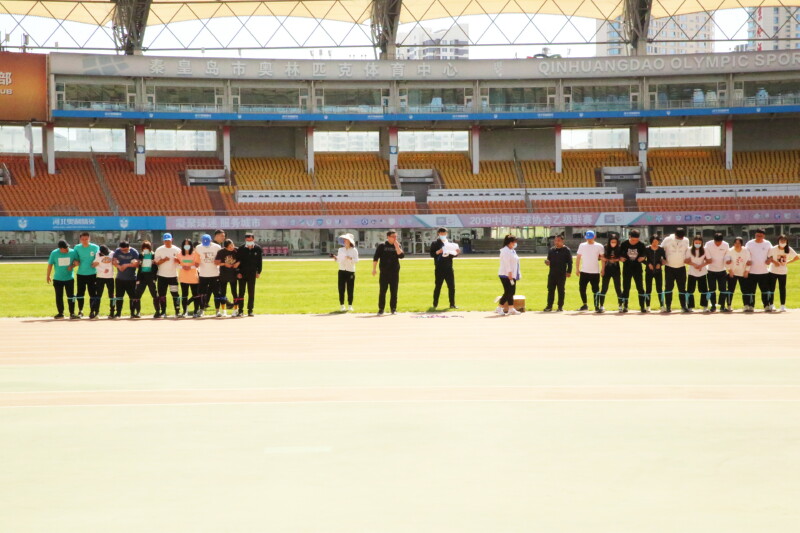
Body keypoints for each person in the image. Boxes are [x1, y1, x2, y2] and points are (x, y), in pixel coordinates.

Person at [372, 230, 405, 315]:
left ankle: (393, 309)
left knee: (394, 291)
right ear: (388, 237)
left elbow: (401, 256)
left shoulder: (397, 245)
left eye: (396, 236)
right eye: (393, 237)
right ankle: (381, 309)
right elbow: (376, 257)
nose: (395, 238)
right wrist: (374, 269)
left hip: (394, 273)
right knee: (382, 291)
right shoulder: (382, 246)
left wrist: (397, 246)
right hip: (384, 273)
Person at [46, 240, 78, 319]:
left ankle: (72, 313)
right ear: (60, 248)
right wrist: (48, 275)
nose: (67, 250)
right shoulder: (54, 253)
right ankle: (60, 313)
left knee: (71, 296)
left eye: (67, 247)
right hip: (58, 279)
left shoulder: (73, 252)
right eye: (64, 249)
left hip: (69, 278)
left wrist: (72, 266)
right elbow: (50, 264)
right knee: (59, 296)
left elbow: (78, 262)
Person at [661, 227, 690, 313]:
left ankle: (683, 306)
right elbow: (661, 250)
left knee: (682, 288)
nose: (680, 239)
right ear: (675, 234)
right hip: (669, 267)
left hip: (681, 267)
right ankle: (668, 306)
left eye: (682, 237)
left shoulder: (686, 240)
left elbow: (687, 251)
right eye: (679, 237)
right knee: (668, 287)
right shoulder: (668, 239)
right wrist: (662, 259)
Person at [767, 234, 798, 312]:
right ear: (778, 241)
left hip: (783, 272)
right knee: (771, 288)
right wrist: (774, 262)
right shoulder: (773, 248)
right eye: (781, 240)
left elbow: (797, 257)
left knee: (782, 289)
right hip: (773, 271)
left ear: (786, 241)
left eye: (784, 240)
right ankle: (771, 304)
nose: (783, 242)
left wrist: (788, 262)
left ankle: (782, 305)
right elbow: (768, 257)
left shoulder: (788, 249)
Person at [429, 227, 458, 309]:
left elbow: (453, 254)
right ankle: (435, 304)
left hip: (449, 268)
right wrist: (438, 252)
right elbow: (432, 254)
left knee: (451, 287)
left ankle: (452, 304)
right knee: (438, 286)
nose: (443, 235)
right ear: (438, 234)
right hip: (439, 268)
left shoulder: (449, 243)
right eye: (441, 233)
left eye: (444, 233)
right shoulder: (435, 243)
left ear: (446, 234)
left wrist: (456, 253)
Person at [619, 229, 648, 313]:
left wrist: (643, 257)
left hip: (637, 268)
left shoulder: (641, 245)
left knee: (640, 287)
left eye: (636, 240)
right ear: (629, 237)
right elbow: (619, 254)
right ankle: (625, 306)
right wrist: (620, 258)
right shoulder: (624, 244)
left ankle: (642, 306)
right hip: (627, 268)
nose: (634, 242)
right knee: (626, 287)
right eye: (633, 240)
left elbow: (644, 254)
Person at [154, 233, 181, 319]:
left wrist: (178, 260)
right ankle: (163, 311)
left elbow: (182, 261)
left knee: (175, 294)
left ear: (172, 240)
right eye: (165, 241)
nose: (167, 242)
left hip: (173, 276)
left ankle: (177, 311)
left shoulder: (177, 250)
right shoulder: (159, 249)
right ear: (163, 241)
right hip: (162, 276)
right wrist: (164, 260)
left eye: (168, 240)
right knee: (162, 294)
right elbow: (156, 262)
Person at [72, 231, 100, 319]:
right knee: (80, 293)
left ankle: (92, 311)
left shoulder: (95, 247)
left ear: (89, 239)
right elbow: (75, 259)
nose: (85, 241)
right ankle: (80, 311)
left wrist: (97, 262)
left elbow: (100, 258)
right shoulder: (77, 247)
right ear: (80, 239)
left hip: (92, 274)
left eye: (86, 239)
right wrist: (75, 262)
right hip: (81, 274)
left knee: (92, 293)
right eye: (83, 239)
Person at [575, 230, 604, 312]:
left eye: (590, 238)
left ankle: (596, 306)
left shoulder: (599, 246)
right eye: (587, 238)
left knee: (595, 290)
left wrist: (603, 269)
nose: (589, 239)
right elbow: (578, 257)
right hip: (584, 271)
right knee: (582, 289)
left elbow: (602, 258)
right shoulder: (582, 245)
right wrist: (577, 269)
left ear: (594, 237)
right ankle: (584, 304)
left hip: (595, 272)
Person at [745, 228, 773, 312]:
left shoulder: (767, 243)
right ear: (755, 235)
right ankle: (751, 305)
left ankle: (766, 305)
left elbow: (772, 254)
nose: (759, 237)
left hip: (764, 272)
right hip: (752, 271)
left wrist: (769, 260)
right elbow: (745, 254)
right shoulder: (749, 243)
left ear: (764, 236)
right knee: (751, 290)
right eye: (757, 235)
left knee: (765, 290)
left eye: (760, 236)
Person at [196, 233, 223, 317]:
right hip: (203, 274)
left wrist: (218, 262)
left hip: (215, 274)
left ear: (211, 240)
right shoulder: (198, 247)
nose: (206, 244)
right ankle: (201, 310)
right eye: (204, 243)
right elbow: (196, 259)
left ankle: (217, 310)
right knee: (202, 293)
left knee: (216, 293)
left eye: (207, 242)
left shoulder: (217, 247)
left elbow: (221, 258)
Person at [237, 233, 263, 317]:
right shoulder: (241, 248)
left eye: (251, 240)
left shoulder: (258, 249)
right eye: (247, 240)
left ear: (253, 239)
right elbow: (237, 261)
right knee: (241, 292)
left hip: (252, 273)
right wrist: (238, 272)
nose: (249, 241)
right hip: (242, 273)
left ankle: (250, 310)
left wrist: (258, 272)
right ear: (245, 240)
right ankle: (240, 310)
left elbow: (259, 262)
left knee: (251, 292)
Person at [543, 234, 572, 312]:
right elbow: (548, 260)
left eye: (558, 240)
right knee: (550, 290)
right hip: (552, 273)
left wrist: (569, 271)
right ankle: (549, 306)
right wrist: (547, 262)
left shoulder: (566, 250)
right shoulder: (551, 250)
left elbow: (570, 262)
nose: (556, 242)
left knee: (561, 290)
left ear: (563, 241)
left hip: (561, 274)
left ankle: (560, 306)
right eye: (555, 240)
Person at [112, 241, 140, 318]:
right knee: (119, 296)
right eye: (122, 250)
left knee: (132, 297)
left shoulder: (134, 252)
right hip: (120, 278)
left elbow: (137, 264)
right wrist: (118, 266)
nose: (123, 251)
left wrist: (126, 265)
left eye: (125, 250)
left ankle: (132, 313)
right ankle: (118, 313)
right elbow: (113, 261)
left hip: (131, 278)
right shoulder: (117, 251)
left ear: (128, 247)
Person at [704, 232, 731, 313]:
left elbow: (727, 255)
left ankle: (722, 306)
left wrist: (728, 261)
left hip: (722, 270)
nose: (718, 244)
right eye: (716, 242)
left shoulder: (726, 245)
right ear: (714, 240)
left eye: (719, 242)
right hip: (711, 270)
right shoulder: (708, 244)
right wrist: (708, 259)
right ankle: (713, 306)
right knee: (712, 289)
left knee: (723, 289)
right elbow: (707, 255)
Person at [215, 239, 241, 317]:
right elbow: (216, 262)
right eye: (229, 247)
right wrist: (224, 264)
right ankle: (224, 310)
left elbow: (242, 259)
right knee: (223, 293)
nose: (232, 247)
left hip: (233, 274)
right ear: (226, 247)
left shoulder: (236, 250)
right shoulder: (221, 252)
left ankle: (235, 310)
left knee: (234, 292)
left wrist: (238, 263)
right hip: (223, 275)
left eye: (232, 245)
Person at [725, 237, 752, 313]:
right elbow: (726, 261)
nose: (737, 244)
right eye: (735, 243)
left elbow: (749, 261)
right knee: (730, 290)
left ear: (741, 244)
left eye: (739, 243)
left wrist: (746, 271)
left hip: (743, 273)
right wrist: (730, 270)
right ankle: (729, 305)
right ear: (733, 243)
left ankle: (746, 305)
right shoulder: (730, 251)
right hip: (733, 273)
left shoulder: (745, 251)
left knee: (745, 290)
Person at [497, 234, 521, 316]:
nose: (515, 243)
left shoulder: (512, 250)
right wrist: (509, 273)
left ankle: (511, 308)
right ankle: (499, 307)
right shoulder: (505, 251)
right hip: (505, 274)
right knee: (508, 292)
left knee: (512, 292)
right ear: (510, 242)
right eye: (514, 242)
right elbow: (507, 263)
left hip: (513, 274)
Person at [685, 234, 711, 313]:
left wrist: (701, 265)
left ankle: (705, 306)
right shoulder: (689, 249)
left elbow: (709, 260)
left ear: (702, 243)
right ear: (693, 242)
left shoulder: (705, 249)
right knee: (690, 290)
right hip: (692, 272)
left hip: (702, 272)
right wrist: (694, 264)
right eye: (696, 243)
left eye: (699, 243)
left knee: (704, 290)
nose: (697, 244)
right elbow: (686, 261)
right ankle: (690, 307)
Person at [598, 234, 623, 313]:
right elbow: (600, 257)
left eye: (615, 242)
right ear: (609, 241)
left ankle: (620, 305)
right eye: (612, 242)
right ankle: (601, 305)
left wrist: (616, 260)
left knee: (618, 288)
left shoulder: (619, 248)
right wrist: (603, 269)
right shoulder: (605, 247)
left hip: (616, 270)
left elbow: (622, 258)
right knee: (604, 287)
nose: (613, 243)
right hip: (607, 269)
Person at [334, 233, 359, 312]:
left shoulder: (354, 250)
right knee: (341, 288)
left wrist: (350, 258)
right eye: (344, 240)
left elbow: (356, 260)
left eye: (346, 240)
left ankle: (350, 305)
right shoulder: (340, 250)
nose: (345, 241)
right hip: (341, 270)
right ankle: (342, 305)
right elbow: (339, 260)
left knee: (350, 288)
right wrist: (336, 258)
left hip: (350, 271)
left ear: (350, 241)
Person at [177, 238, 201, 318]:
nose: (186, 246)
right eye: (185, 244)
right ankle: (185, 311)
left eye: (188, 244)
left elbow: (197, 265)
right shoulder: (179, 254)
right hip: (183, 277)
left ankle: (195, 311)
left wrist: (190, 267)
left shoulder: (195, 254)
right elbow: (176, 264)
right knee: (184, 295)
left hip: (193, 277)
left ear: (191, 246)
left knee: (195, 295)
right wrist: (182, 267)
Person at [91, 245, 115, 319]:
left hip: (110, 277)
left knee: (111, 295)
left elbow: (115, 262)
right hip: (100, 277)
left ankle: (112, 312)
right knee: (98, 295)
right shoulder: (97, 255)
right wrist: (101, 269)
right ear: (101, 252)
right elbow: (93, 265)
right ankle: (96, 312)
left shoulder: (112, 253)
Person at [135, 241, 158, 318]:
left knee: (154, 294)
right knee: (138, 294)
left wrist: (154, 263)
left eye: (147, 248)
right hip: (142, 277)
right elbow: (138, 265)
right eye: (144, 248)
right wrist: (138, 263)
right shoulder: (141, 255)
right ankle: (138, 312)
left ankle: (157, 311)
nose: (145, 249)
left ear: (150, 248)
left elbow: (156, 266)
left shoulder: (153, 255)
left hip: (151, 276)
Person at [644, 235, 666, 312]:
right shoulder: (647, 249)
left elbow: (664, 259)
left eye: (656, 242)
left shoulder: (661, 250)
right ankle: (647, 306)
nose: (655, 243)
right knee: (648, 289)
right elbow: (642, 259)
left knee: (659, 289)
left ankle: (662, 305)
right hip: (649, 271)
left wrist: (660, 264)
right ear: (651, 242)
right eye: (653, 242)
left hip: (658, 272)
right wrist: (648, 264)